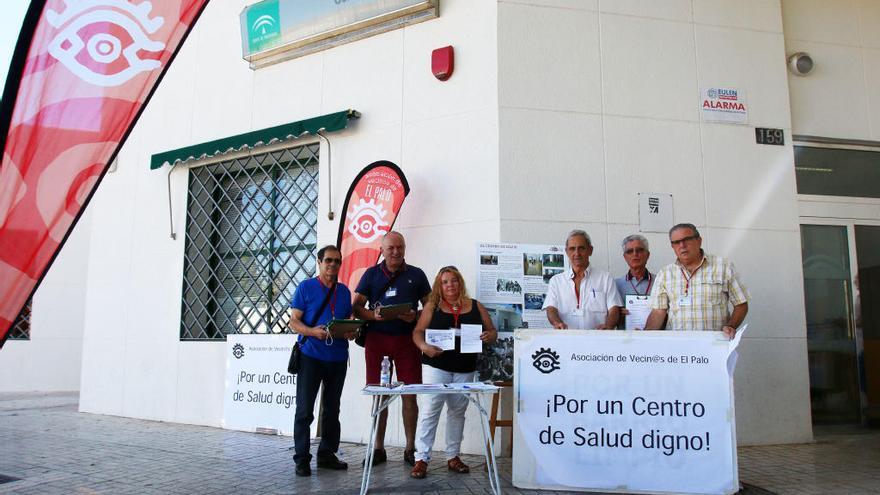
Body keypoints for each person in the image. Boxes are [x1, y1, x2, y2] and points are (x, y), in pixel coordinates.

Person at [410, 266, 497, 479]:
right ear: (439, 286)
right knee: (431, 409)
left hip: (464, 367)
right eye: (445, 281)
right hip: (436, 365)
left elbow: (492, 331)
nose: (450, 285)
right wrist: (424, 347)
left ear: (460, 282)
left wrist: (489, 336)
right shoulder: (433, 305)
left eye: (454, 280)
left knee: (457, 412)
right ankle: (421, 458)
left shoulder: (475, 305)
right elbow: (418, 332)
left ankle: (453, 456)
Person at [352, 231, 431, 466]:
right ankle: (378, 448)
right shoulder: (371, 274)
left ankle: (410, 447)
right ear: (382, 250)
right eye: (391, 248)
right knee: (379, 395)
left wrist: (414, 315)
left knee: (410, 394)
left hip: (407, 341)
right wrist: (373, 316)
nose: (396, 251)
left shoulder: (417, 275)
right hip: (377, 341)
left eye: (400, 247)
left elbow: (430, 308)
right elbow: (357, 307)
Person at [288, 245, 356, 477]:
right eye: (328, 260)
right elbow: (293, 322)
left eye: (337, 261)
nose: (333, 265)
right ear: (319, 262)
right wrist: (311, 331)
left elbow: (348, 321)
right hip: (311, 356)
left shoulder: (345, 292)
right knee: (305, 410)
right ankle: (302, 459)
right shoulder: (305, 287)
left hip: (337, 357)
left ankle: (327, 455)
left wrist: (351, 331)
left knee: (332, 409)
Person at [644, 224, 749, 338]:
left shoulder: (723, 266)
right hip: (677, 345)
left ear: (699, 240)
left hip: (715, 343)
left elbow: (741, 304)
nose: (682, 245)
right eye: (676, 242)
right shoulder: (665, 274)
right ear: (672, 247)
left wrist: (731, 326)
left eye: (687, 239)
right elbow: (658, 312)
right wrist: (644, 336)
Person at [543, 229, 621, 329]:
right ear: (566, 252)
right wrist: (556, 323)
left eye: (581, 248)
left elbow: (614, 308)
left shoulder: (605, 278)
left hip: (597, 340)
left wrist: (609, 325)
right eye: (572, 249)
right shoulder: (556, 281)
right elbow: (551, 308)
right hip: (566, 340)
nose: (577, 253)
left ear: (590, 250)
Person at [614, 234, 653, 329]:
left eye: (639, 250)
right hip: (625, 339)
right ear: (625, 257)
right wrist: (617, 314)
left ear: (647, 255)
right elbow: (609, 315)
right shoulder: (615, 284)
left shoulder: (660, 282)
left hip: (653, 337)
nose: (635, 254)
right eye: (630, 251)